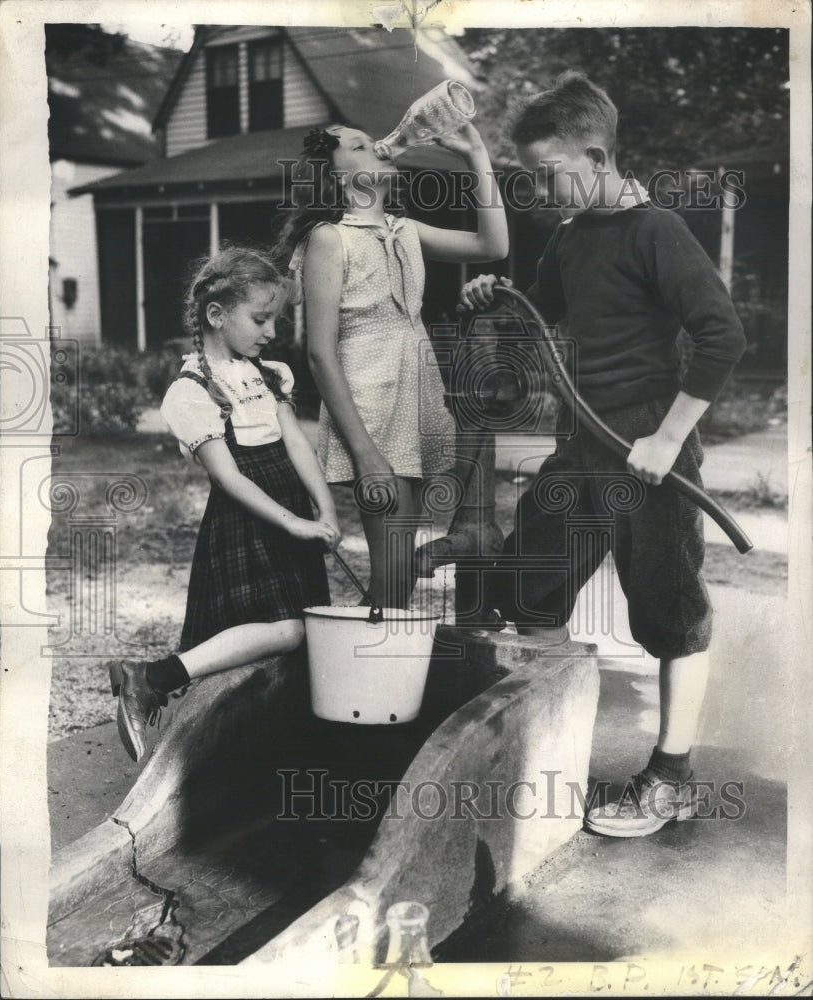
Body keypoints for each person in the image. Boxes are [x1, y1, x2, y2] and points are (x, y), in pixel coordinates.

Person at [460, 71, 746, 837]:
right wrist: (496, 293)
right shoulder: (569, 236)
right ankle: (548, 752)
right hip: (582, 442)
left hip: (647, 444)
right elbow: (547, 307)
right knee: (528, 586)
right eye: (530, 179)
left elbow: (723, 335)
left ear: (595, 153)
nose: (541, 192)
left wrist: (669, 437)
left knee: (669, 610)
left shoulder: (656, 231)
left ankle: (672, 778)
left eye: (548, 175)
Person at [110, 245, 341, 762]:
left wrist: (323, 510)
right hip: (248, 518)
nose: (271, 331)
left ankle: (262, 742)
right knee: (289, 628)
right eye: (260, 318)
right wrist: (293, 524)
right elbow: (229, 476)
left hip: (288, 505)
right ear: (217, 315)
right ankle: (152, 677)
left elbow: (297, 444)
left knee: (292, 631)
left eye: (274, 319)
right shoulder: (191, 392)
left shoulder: (268, 374)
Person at [280, 121, 508, 609]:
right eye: (360, 145)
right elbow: (320, 353)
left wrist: (476, 154)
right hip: (369, 415)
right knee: (395, 576)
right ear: (338, 179)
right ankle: (352, 675)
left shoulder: (406, 231)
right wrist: (365, 455)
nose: (379, 145)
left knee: (398, 579)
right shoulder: (329, 238)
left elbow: (494, 246)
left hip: (415, 404)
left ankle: (364, 673)